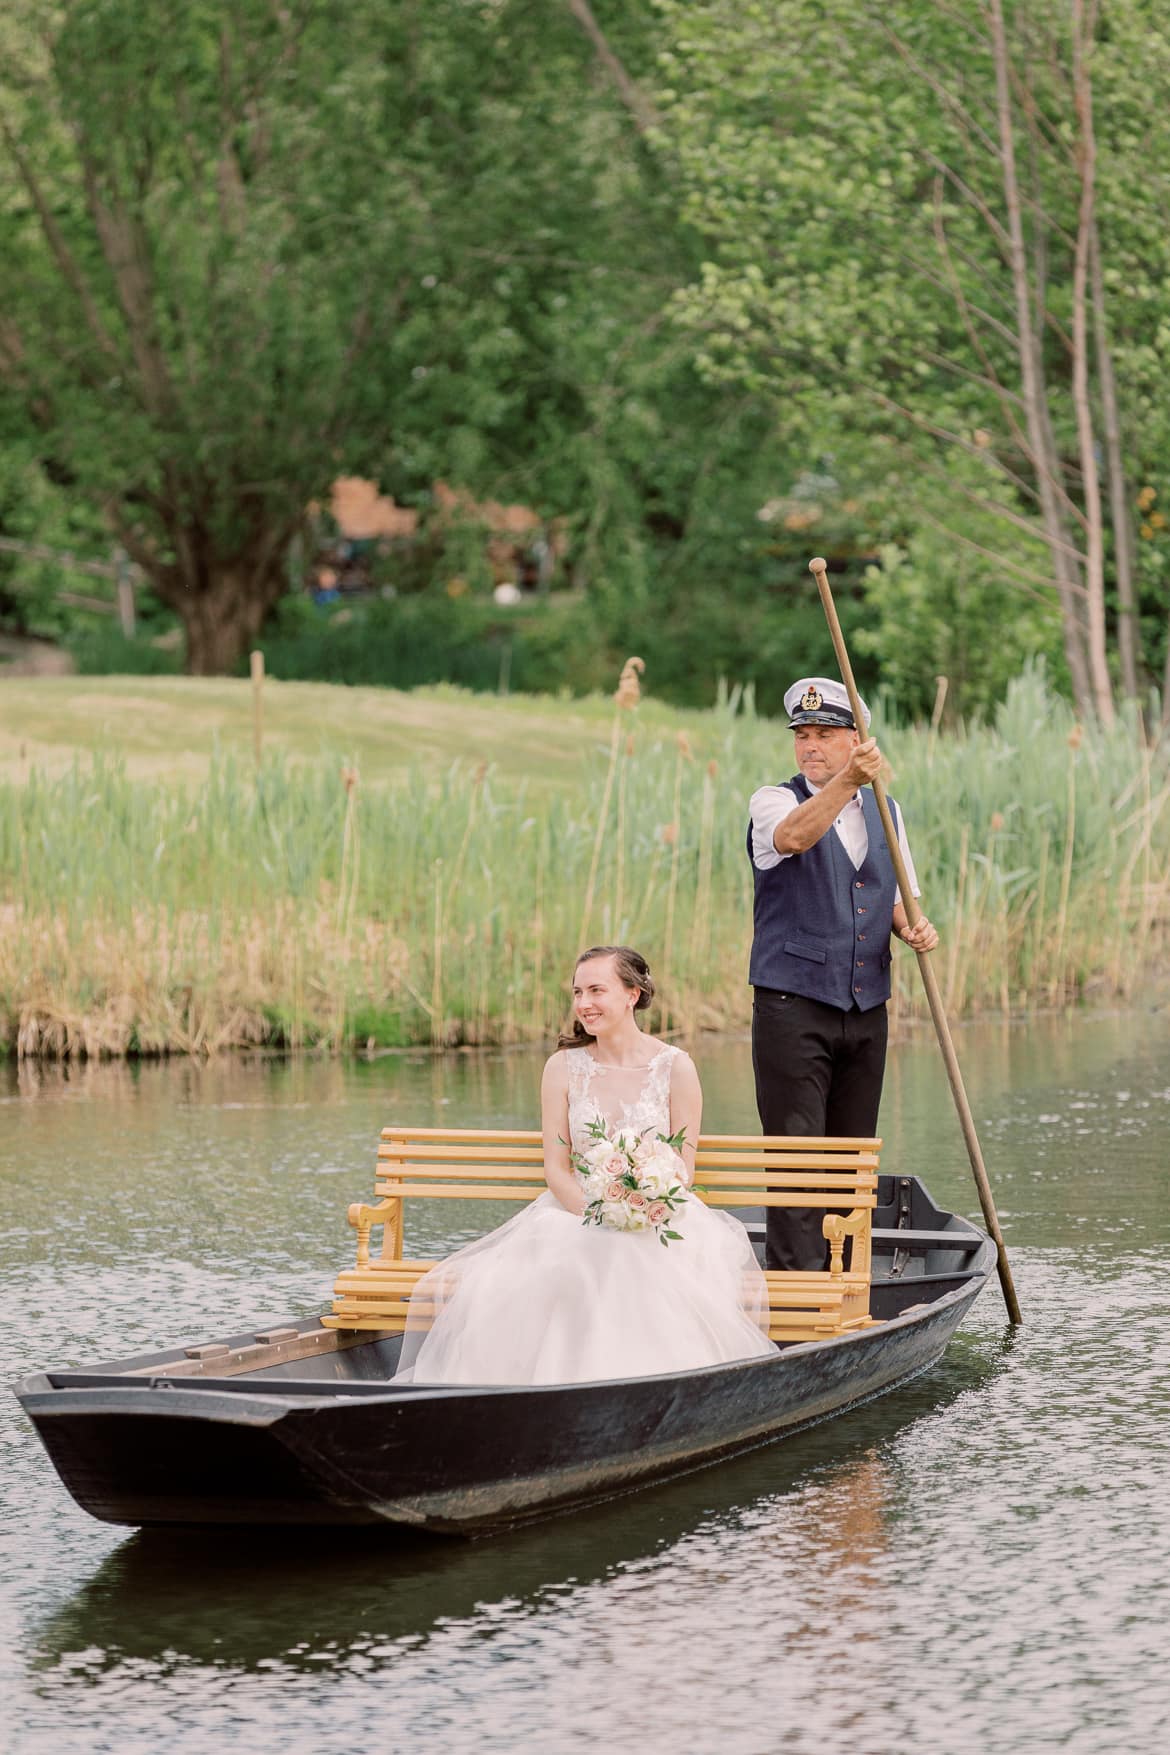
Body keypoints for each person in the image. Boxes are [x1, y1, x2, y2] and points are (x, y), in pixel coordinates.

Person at [393, 945, 776, 1385]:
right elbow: (556, 1167)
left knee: (630, 1257)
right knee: (576, 1255)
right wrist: (599, 1215)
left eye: (597, 990)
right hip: (573, 1211)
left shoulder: (676, 1068)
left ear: (632, 994)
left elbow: (682, 1167)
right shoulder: (563, 1067)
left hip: (658, 1215)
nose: (583, 1004)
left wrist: (639, 1206)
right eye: (578, 992)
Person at [748, 676, 939, 1273]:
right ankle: (796, 1292)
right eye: (803, 735)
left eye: (826, 735)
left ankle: (848, 1283)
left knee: (852, 1159)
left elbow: (895, 897)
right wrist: (849, 782)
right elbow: (795, 838)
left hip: (866, 1007)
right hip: (791, 1005)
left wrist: (914, 926)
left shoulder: (888, 810)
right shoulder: (773, 801)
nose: (811, 746)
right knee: (798, 1159)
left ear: (856, 739)